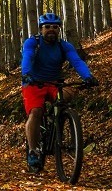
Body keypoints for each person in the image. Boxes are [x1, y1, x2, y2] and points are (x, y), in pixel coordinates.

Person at [20, 12, 98, 173]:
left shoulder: (64, 46)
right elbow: (27, 57)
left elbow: (77, 61)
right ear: (41, 29)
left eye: (55, 27)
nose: (51, 30)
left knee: (70, 94)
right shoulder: (32, 43)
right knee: (35, 111)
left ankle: (61, 119)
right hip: (33, 83)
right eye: (47, 27)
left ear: (59, 29)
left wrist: (88, 77)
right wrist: (26, 74)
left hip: (54, 83)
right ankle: (33, 151)